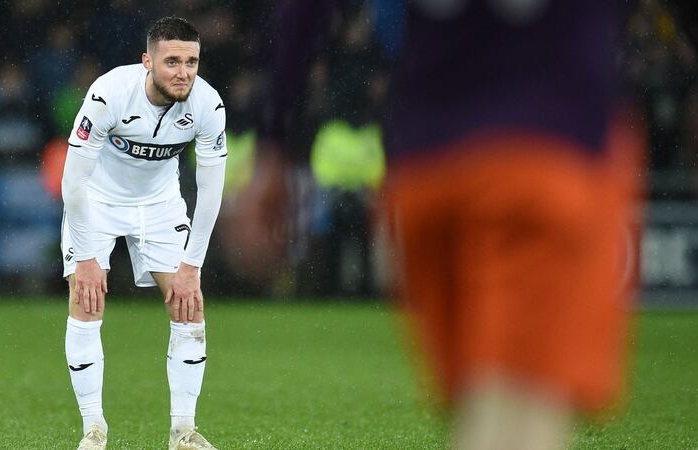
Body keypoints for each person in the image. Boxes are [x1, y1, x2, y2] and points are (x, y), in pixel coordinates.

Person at [237, 1, 644, 449]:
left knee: (483, 403)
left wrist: (274, 140)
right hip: (547, 152)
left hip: (428, 163)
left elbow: (304, 12)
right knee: (522, 410)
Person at [60, 16, 225, 450]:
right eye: (172, 61)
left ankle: (183, 432)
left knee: (189, 305)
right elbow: (73, 180)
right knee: (86, 299)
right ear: (147, 61)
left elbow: (210, 191)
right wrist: (86, 256)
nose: (183, 72)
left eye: (191, 62)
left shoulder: (208, 105)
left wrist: (192, 265)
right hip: (96, 200)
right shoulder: (109, 93)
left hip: (160, 204)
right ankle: (94, 430)